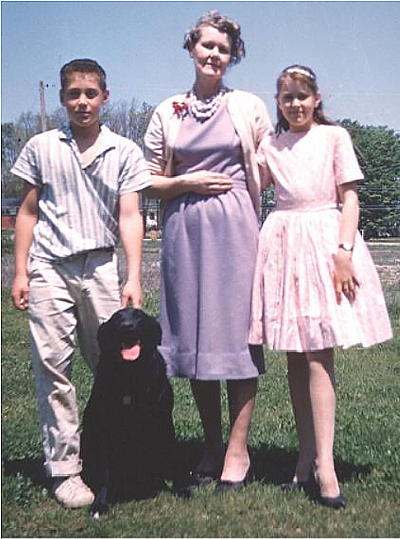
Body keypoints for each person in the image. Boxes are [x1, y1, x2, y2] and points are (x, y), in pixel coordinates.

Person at [249, 65, 393, 508]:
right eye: (286, 97)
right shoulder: (270, 144)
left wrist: (343, 251)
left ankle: (326, 466)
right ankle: (305, 454)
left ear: (316, 99)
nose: (295, 104)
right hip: (284, 242)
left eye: (302, 96)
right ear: (278, 102)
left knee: (318, 353)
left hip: (326, 242)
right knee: (295, 352)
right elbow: (250, 185)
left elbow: (349, 196)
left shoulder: (334, 137)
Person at [10, 58, 152, 508]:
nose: (83, 102)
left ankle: (124, 455)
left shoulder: (124, 151)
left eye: (91, 94)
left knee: (117, 365)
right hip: (49, 266)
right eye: (74, 94)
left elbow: (130, 216)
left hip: (102, 267)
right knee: (53, 368)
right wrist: (20, 270)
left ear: (105, 97)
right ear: (62, 98)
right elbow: (27, 213)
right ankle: (65, 469)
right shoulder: (41, 146)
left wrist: (132, 276)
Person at [144, 11, 272, 491]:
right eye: (207, 46)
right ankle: (211, 443)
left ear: (231, 56)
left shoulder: (249, 106)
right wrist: (185, 182)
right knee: (196, 342)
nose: (214, 54)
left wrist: (238, 193)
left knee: (237, 339)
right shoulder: (168, 110)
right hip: (183, 232)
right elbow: (148, 180)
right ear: (192, 50)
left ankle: (238, 451)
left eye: (223, 48)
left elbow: (269, 163)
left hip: (236, 231)